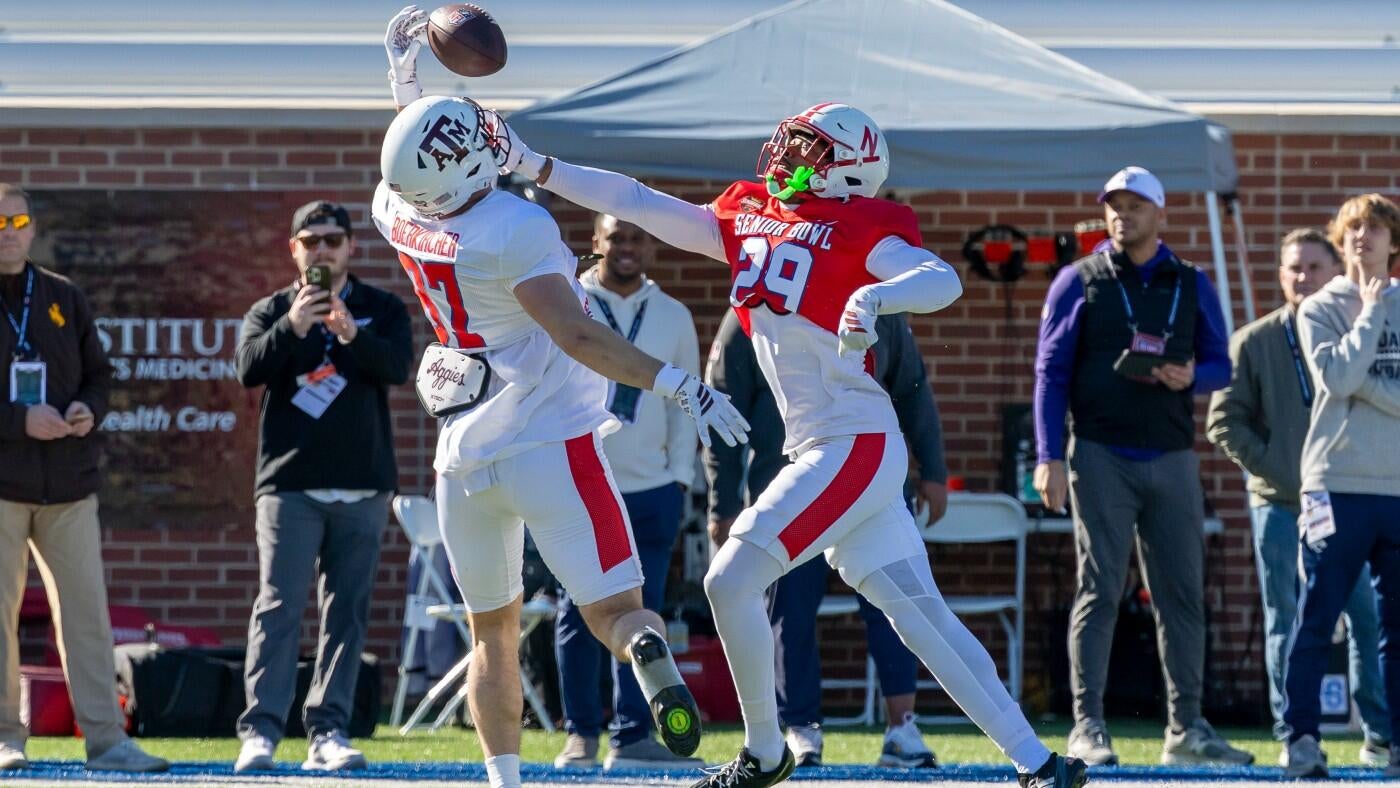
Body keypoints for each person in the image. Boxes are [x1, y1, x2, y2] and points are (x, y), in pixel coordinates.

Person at [494, 98, 1085, 786]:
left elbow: (941, 279)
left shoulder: (862, 223)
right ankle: (1040, 764)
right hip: (826, 445)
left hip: (853, 439)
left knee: (731, 579)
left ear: (847, 168)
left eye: (807, 148)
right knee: (921, 616)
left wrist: (874, 298)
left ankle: (766, 752)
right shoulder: (751, 215)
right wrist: (536, 165)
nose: (786, 156)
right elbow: (636, 198)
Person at [380, 11, 749, 788]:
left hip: (464, 460)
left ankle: (506, 780)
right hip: (553, 442)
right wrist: (678, 383)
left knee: (493, 632)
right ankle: (645, 650)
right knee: (617, 613)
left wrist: (405, 83)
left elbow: (414, 159)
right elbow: (580, 337)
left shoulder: (396, 209)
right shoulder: (515, 227)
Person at [1032, 166, 1249, 767]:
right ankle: (1089, 727)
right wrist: (1048, 455)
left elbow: (1221, 365)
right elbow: (1049, 373)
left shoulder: (1190, 281)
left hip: (1173, 456)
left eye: (1134, 205)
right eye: (1113, 206)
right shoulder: (1079, 280)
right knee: (1098, 586)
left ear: (1160, 213)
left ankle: (1187, 730)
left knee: (1182, 594)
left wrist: (1192, 377)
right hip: (1099, 452)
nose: (1121, 215)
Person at [705, 308, 947, 769]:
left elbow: (912, 389)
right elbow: (724, 406)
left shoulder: (874, 303)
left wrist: (934, 469)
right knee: (789, 611)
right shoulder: (754, 305)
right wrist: (724, 502)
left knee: (896, 601)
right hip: (791, 487)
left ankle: (903, 727)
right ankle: (800, 728)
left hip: (868, 479)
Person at [232, 200, 413, 772]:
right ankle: (260, 731)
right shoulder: (272, 310)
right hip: (290, 485)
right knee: (279, 606)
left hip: (362, 486)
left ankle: (328, 732)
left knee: (346, 613)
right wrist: (294, 327)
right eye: (310, 241)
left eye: (332, 240)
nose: (322, 250)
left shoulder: (381, 308)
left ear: (351, 248)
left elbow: (398, 367)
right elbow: (247, 369)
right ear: (294, 250)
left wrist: (351, 334)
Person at [1206, 228, 1391, 765]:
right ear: (1281, 276)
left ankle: (1379, 732)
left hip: (1342, 498)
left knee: (1366, 616)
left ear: (1335, 270)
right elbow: (1225, 422)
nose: (1303, 277)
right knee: (1285, 618)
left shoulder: (1358, 328)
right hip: (1281, 503)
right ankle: (1293, 734)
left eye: (1314, 266)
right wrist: (1280, 470)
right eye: (1294, 268)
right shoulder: (1255, 340)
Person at [0, 183, 168, 773]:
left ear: (33, 229)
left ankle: (107, 739)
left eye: (18, 219)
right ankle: (5, 738)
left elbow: (100, 376)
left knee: (86, 614)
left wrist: (86, 411)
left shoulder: (62, 297)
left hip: (68, 486)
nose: (8, 230)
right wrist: (21, 420)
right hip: (3, 486)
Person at [553, 214, 703, 770]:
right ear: (596, 243)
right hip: (582, 483)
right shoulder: (569, 304)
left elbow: (686, 402)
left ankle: (634, 736)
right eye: (615, 237)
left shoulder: (673, 315)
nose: (626, 248)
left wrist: (681, 476)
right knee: (576, 613)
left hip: (652, 488)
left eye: (637, 238)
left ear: (650, 247)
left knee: (645, 616)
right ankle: (581, 734)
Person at [1280, 193, 1400, 779]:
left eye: (1376, 229)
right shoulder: (1319, 307)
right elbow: (1337, 375)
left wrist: (1367, 390)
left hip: (1396, 489)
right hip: (1335, 483)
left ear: (1393, 243)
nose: (1364, 238)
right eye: (1354, 228)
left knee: (1394, 627)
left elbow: (1356, 383)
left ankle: (1392, 740)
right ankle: (1300, 738)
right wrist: (1372, 315)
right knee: (1316, 617)